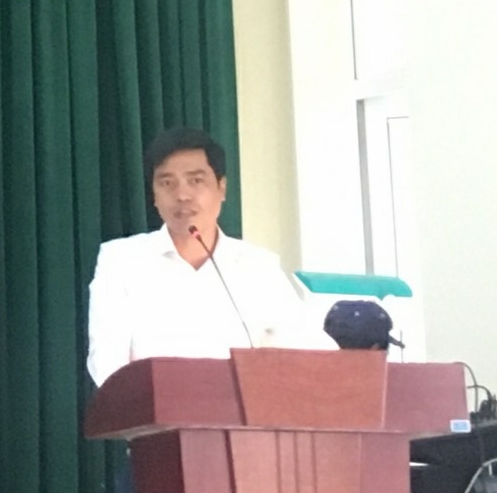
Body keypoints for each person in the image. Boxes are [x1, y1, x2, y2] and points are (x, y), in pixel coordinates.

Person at [87, 127, 329, 386]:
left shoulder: (258, 266)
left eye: (195, 181)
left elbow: (310, 352)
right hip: (151, 408)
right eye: (167, 183)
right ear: (154, 196)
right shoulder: (122, 260)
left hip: (243, 410)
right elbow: (108, 364)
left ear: (221, 188)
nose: (182, 195)